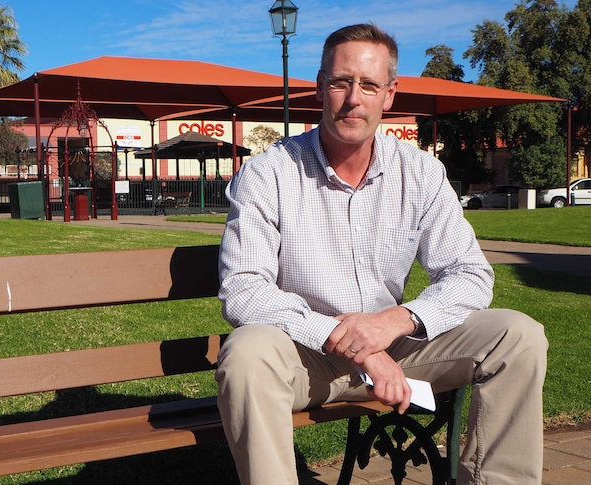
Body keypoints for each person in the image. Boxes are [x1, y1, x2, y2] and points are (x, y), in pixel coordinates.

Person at [215, 23, 548, 485]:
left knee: (517, 336)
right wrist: (357, 345)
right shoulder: (269, 174)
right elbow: (244, 291)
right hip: (306, 356)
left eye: (369, 85)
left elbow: (469, 273)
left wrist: (394, 322)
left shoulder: (420, 173)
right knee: (246, 353)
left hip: (400, 348)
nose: (353, 98)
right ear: (318, 87)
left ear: (389, 95)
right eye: (340, 82)